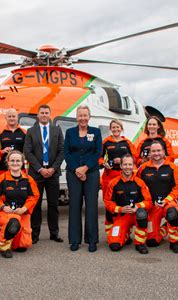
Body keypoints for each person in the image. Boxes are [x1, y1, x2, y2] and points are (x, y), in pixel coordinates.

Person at [24, 104, 64, 244]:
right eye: (42, 112)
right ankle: (35, 234)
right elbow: (27, 152)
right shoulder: (30, 131)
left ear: (50, 114)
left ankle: (54, 233)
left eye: (47, 112)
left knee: (53, 205)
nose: (44, 115)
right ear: (38, 115)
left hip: (53, 173)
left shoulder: (57, 131)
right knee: (36, 205)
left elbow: (61, 151)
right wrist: (40, 169)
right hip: (36, 173)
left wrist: (52, 168)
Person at [64, 105, 102, 252]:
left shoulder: (96, 132)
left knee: (91, 206)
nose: (83, 118)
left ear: (89, 117)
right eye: (80, 115)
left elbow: (97, 152)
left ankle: (92, 240)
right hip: (73, 173)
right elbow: (67, 153)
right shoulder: (69, 132)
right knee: (74, 205)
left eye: (85, 115)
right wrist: (76, 169)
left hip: (91, 173)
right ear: (76, 117)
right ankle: (74, 240)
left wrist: (85, 168)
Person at [0, 151, 40, 258]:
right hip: (6, 213)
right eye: (12, 160)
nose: (15, 163)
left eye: (18, 161)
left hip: (22, 212)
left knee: (23, 246)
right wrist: (3, 207)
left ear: (22, 163)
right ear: (7, 162)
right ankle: (3, 245)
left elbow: (34, 197)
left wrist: (24, 208)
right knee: (13, 224)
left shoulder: (28, 179)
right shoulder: (1, 179)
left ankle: (12, 238)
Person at [137, 141, 178, 253]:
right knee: (152, 242)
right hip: (152, 206)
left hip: (168, 203)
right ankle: (164, 229)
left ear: (163, 152)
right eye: (153, 151)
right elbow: (138, 186)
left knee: (172, 214)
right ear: (150, 153)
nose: (156, 153)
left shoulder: (172, 167)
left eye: (158, 151)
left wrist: (167, 200)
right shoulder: (143, 168)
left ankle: (174, 242)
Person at [103, 154, 152, 254]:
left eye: (130, 164)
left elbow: (149, 202)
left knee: (142, 213)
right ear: (121, 166)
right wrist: (121, 209)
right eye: (125, 164)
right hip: (122, 216)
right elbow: (107, 202)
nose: (127, 167)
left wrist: (137, 207)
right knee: (114, 246)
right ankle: (125, 234)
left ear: (133, 165)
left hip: (136, 215)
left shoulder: (140, 183)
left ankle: (140, 243)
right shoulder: (113, 183)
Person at [100, 119, 137, 235]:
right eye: (113, 127)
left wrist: (123, 161)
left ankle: (125, 230)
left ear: (121, 128)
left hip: (125, 175)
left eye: (118, 127)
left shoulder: (127, 143)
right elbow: (99, 157)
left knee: (124, 201)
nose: (115, 129)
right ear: (110, 129)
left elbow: (135, 157)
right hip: (109, 176)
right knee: (109, 203)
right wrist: (103, 163)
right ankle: (110, 230)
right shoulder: (106, 142)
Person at [0, 108, 26, 176]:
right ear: (6, 118)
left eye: (13, 116)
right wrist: (2, 151)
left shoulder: (25, 133)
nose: (11, 118)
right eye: (9, 116)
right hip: (2, 170)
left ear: (17, 118)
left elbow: (29, 150)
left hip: (20, 169)